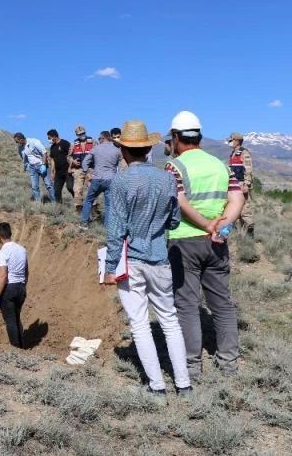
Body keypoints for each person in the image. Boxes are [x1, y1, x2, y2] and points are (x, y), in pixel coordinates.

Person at [103, 121, 192, 401]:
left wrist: (109, 268)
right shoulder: (167, 178)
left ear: (125, 151)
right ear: (146, 148)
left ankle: (156, 387)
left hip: (132, 261)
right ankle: (184, 385)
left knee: (140, 325)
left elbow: (116, 230)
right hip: (159, 257)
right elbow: (175, 220)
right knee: (170, 321)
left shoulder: (120, 181)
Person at [165, 111, 245, 379]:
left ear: (176, 137)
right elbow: (237, 199)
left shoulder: (174, 166)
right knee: (222, 304)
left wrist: (205, 224)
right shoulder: (220, 165)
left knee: (187, 304)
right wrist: (222, 226)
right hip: (217, 243)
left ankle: (191, 366)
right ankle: (229, 364)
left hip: (184, 241)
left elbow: (180, 201)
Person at [0, 222, 28, 348]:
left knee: (10, 320)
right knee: (16, 317)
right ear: (10, 233)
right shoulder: (22, 249)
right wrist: (22, 286)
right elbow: (27, 272)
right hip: (21, 287)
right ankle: (22, 345)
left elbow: (3, 276)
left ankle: (16, 349)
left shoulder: (3, 252)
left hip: (9, 289)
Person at [80, 131, 122, 228]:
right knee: (109, 205)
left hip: (98, 178)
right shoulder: (116, 150)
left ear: (103, 138)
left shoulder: (96, 148)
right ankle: (107, 227)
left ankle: (84, 223)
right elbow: (120, 164)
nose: (99, 140)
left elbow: (86, 161)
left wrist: (85, 170)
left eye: (100, 138)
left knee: (89, 200)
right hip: (111, 179)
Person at [13, 132, 55, 203]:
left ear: (21, 139)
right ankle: (38, 203)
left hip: (41, 165)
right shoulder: (20, 148)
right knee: (34, 186)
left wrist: (44, 165)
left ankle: (55, 201)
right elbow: (23, 156)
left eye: (17, 141)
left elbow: (44, 152)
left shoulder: (34, 142)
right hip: (32, 168)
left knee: (49, 185)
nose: (17, 143)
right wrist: (27, 165)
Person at [227, 131, 254, 237]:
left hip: (242, 184)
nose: (230, 142)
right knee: (236, 208)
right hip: (235, 185)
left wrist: (246, 184)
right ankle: (238, 234)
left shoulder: (244, 153)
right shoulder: (233, 154)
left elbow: (248, 169)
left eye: (231, 140)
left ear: (237, 141)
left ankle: (249, 235)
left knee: (246, 210)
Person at [70, 125, 95, 212]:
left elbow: (99, 153)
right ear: (76, 135)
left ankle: (94, 208)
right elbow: (68, 156)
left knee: (92, 188)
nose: (82, 135)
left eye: (83, 133)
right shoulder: (74, 144)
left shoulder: (93, 142)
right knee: (77, 189)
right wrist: (73, 161)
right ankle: (78, 208)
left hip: (91, 168)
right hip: (78, 169)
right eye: (80, 134)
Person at [47, 129, 74, 203]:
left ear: (54, 136)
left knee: (70, 187)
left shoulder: (65, 143)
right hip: (58, 173)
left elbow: (71, 156)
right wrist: (52, 172)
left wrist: (70, 167)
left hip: (68, 171)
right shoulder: (52, 147)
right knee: (57, 191)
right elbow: (52, 160)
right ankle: (59, 207)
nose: (49, 140)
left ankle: (78, 202)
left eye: (49, 138)